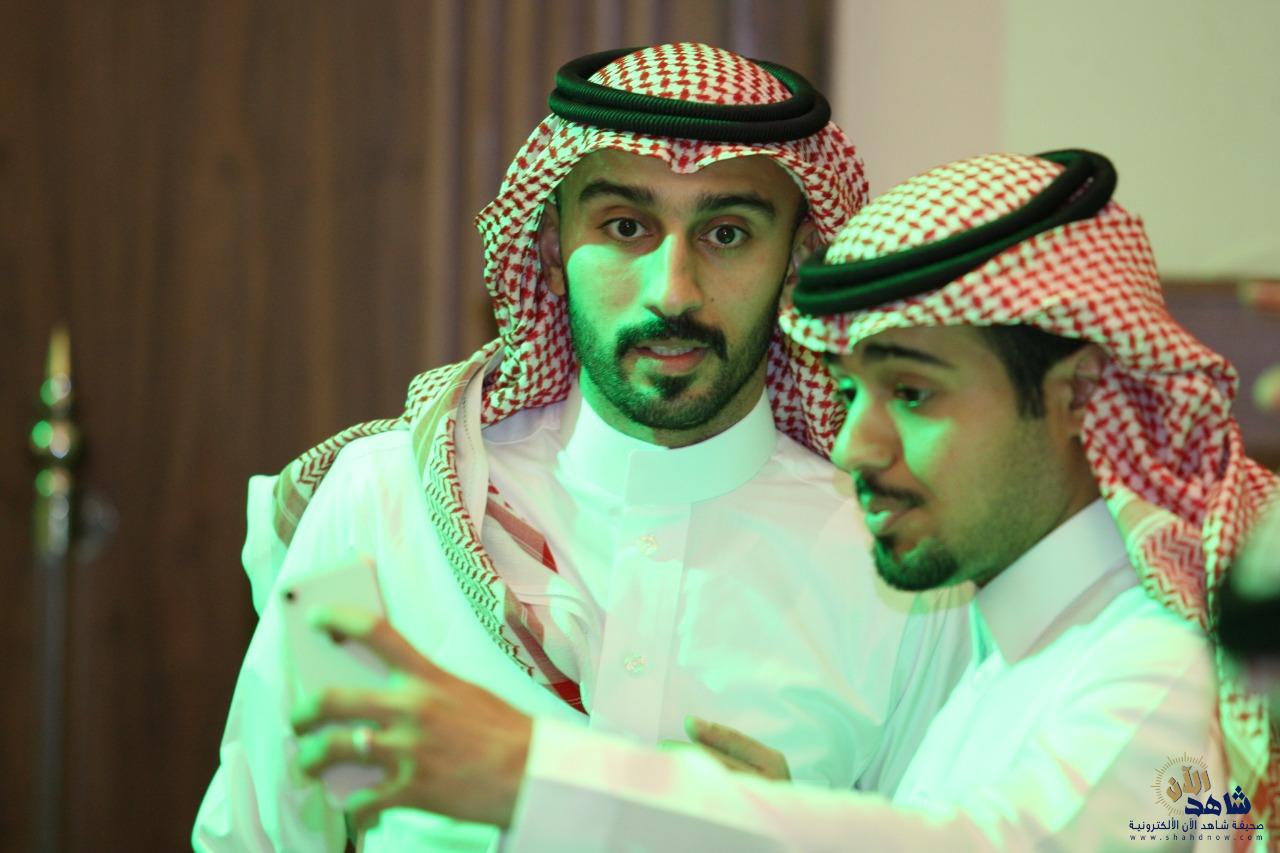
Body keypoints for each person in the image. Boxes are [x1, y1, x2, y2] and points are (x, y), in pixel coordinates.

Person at [290, 150, 1280, 850]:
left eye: (912, 393)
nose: (852, 445)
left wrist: (524, 773)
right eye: (851, 391)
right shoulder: (1011, 662)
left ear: (1073, 395)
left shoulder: (1159, 671)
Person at [193, 44, 973, 851]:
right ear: (553, 248)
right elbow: (258, 837)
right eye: (626, 227)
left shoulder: (899, 574)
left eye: (727, 232)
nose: (673, 291)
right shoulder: (381, 506)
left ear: (798, 262)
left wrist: (786, 837)